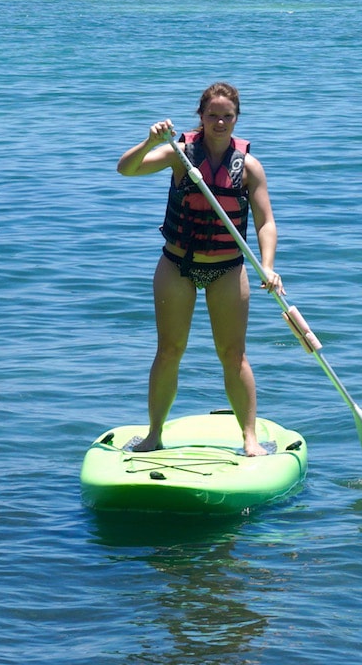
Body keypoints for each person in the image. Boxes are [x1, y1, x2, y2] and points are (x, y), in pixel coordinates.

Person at [117, 82, 284, 456]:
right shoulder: (180, 155)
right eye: (213, 115)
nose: (220, 122)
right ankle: (153, 434)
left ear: (237, 117)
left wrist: (268, 266)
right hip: (177, 266)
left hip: (227, 269)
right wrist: (148, 142)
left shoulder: (250, 167)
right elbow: (126, 170)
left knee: (233, 354)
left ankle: (250, 439)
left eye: (227, 116)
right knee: (169, 351)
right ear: (201, 117)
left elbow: (265, 223)